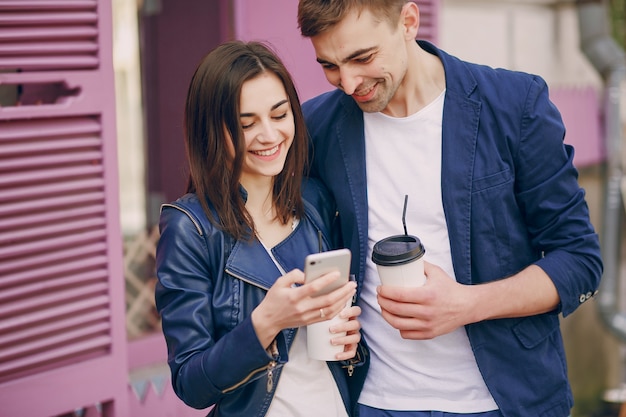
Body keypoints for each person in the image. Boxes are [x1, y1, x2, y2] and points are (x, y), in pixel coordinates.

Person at [296, 1, 603, 417]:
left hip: (506, 401)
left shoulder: (515, 105)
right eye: (329, 66)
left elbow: (580, 260)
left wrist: (466, 304)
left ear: (408, 21)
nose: (349, 83)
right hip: (372, 403)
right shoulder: (315, 126)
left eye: (362, 58)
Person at [154, 40, 367, 417]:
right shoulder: (191, 228)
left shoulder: (315, 200)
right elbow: (191, 383)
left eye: (280, 114)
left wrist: (347, 342)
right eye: (246, 124)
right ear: (213, 130)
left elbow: (325, 350)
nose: (269, 136)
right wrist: (266, 322)